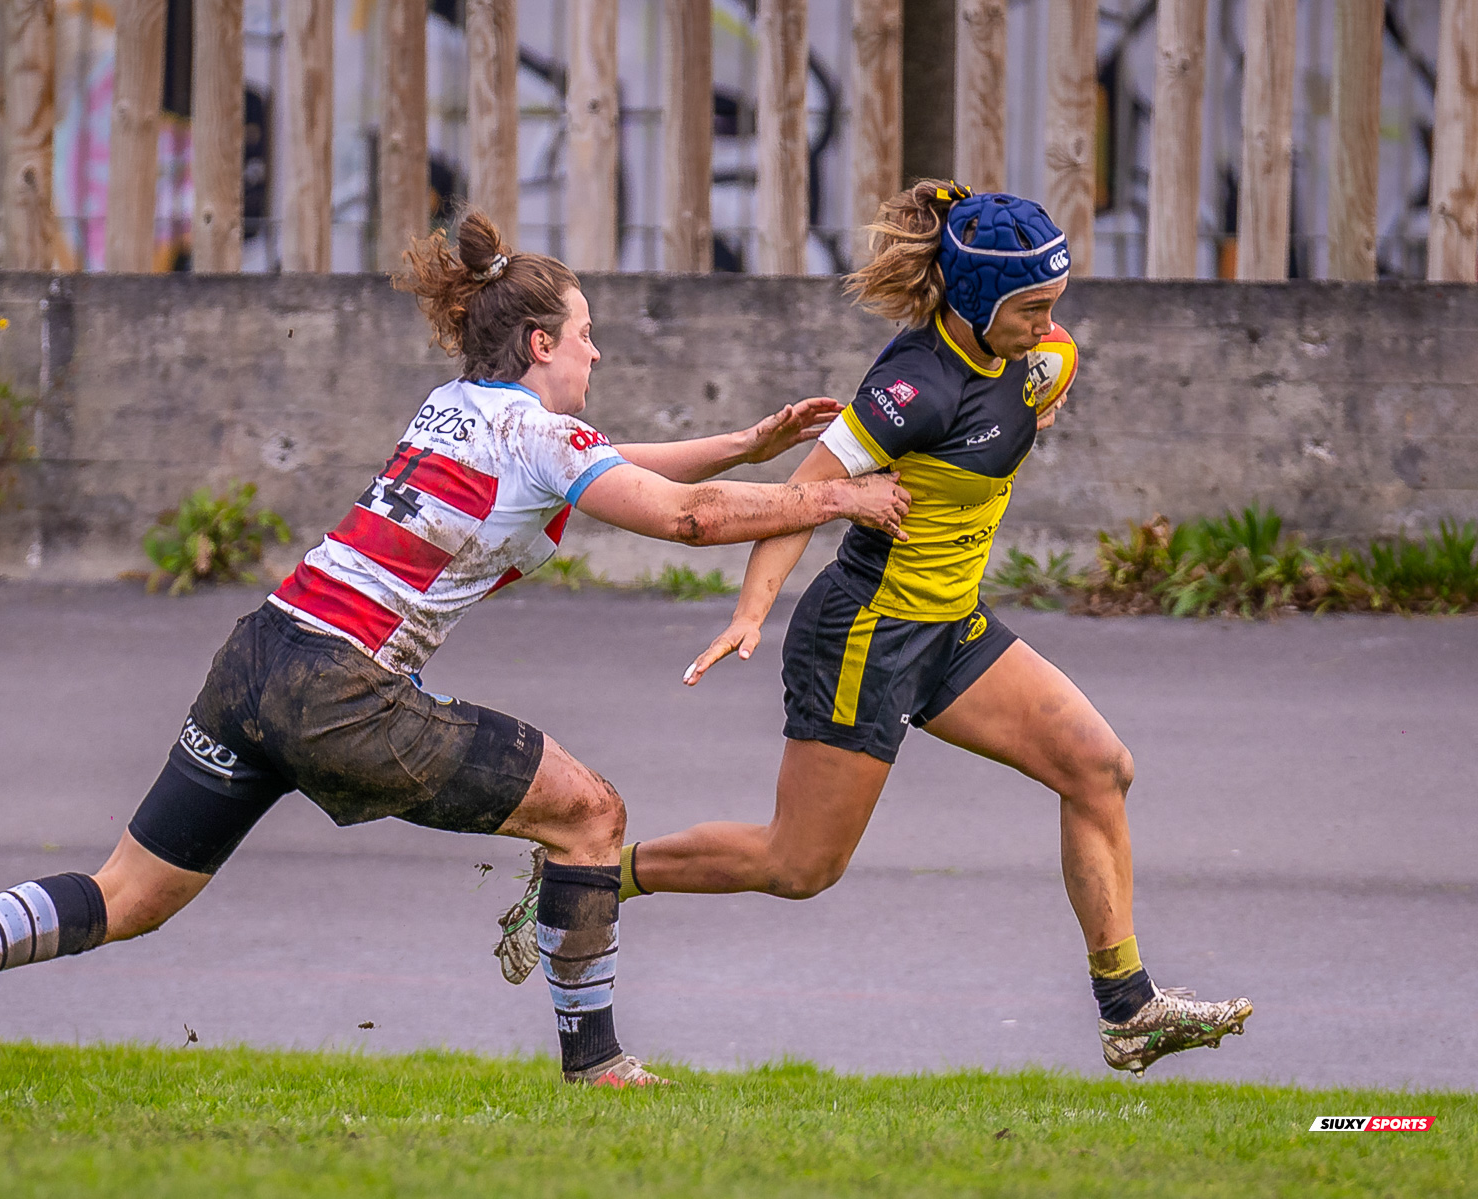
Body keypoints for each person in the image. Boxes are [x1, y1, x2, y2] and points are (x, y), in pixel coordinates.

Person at [0, 210, 913, 1088]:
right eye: (584, 335)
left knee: (129, 891)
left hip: (257, 658)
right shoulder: (538, 431)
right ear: (540, 344)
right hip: (340, 690)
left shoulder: (459, 407)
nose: (597, 351)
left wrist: (749, 442)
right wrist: (839, 495)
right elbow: (685, 518)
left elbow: (614, 460)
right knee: (591, 812)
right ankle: (601, 1066)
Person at [495, 183, 1251, 1077]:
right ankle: (588, 876)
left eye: (1056, 304)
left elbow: (1021, 403)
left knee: (1098, 765)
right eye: (1033, 307)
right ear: (976, 300)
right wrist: (751, 611)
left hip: (952, 627)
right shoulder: (911, 389)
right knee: (800, 863)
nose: (1052, 325)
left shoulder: (1041, 356)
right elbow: (796, 500)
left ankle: (1129, 1010)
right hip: (867, 633)